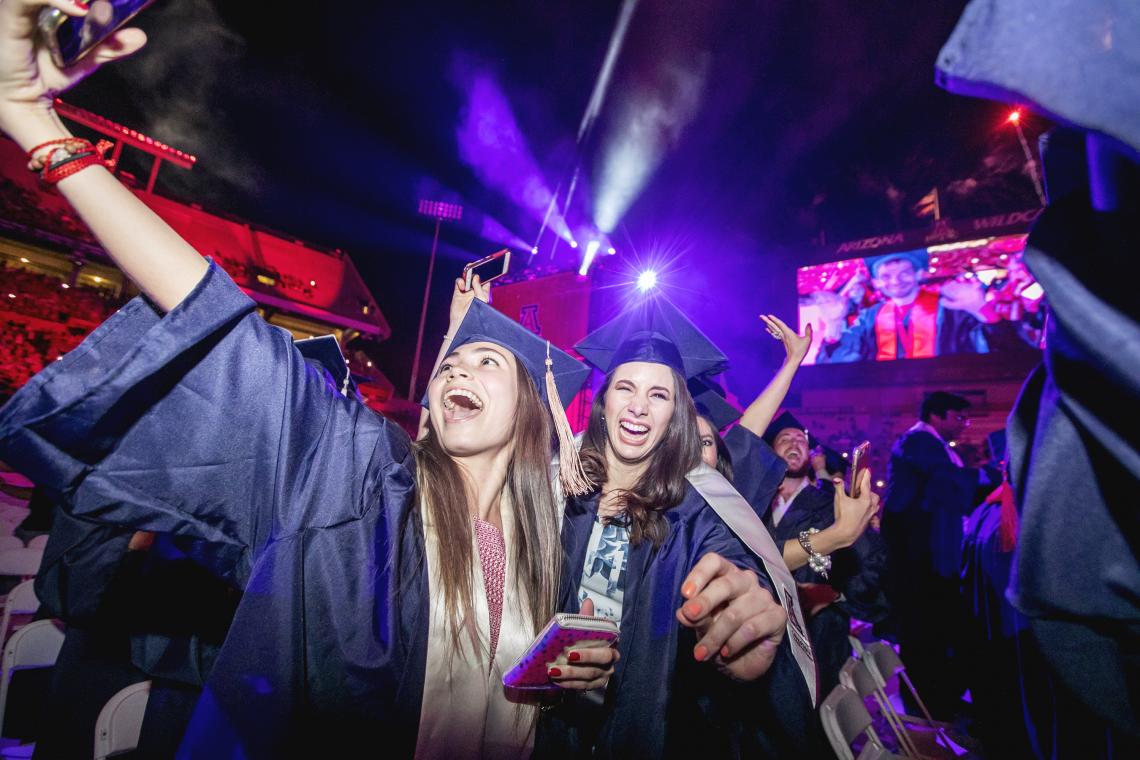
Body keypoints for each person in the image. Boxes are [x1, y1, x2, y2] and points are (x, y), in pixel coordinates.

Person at [0, 3, 613, 755]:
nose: (459, 363)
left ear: (529, 412)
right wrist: (37, 125)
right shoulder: (361, 485)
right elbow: (224, 319)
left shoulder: (544, 543)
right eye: (453, 358)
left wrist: (579, 679)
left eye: (488, 361)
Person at [537, 296, 833, 758]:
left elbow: (728, 563)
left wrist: (741, 611)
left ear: (675, 416)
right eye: (625, 388)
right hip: (549, 728)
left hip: (643, 728)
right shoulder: (559, 490)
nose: (638, 407)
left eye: (659, 395)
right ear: (603, 401)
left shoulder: (694, 508)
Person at [881, 390, 988, 717]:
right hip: (918, 558)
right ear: (936, 416)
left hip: (927, 555)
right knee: (923, 632)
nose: (963, 425)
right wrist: (989, 477)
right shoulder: (919, 442)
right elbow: (947, 483)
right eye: (958, 417)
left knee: (934, 631)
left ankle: (937, 698)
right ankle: (927, 705)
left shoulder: (933, 446)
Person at [815, 249, 991, 363]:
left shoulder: (950, 309)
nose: (895, 281)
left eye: (904, 273)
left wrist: (981, 309)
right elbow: (840, 363)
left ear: (919, 274)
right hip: (886, 399)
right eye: (886, 276)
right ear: (876, 282)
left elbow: (998, 352)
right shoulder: (870, 317)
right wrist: (833, 325)